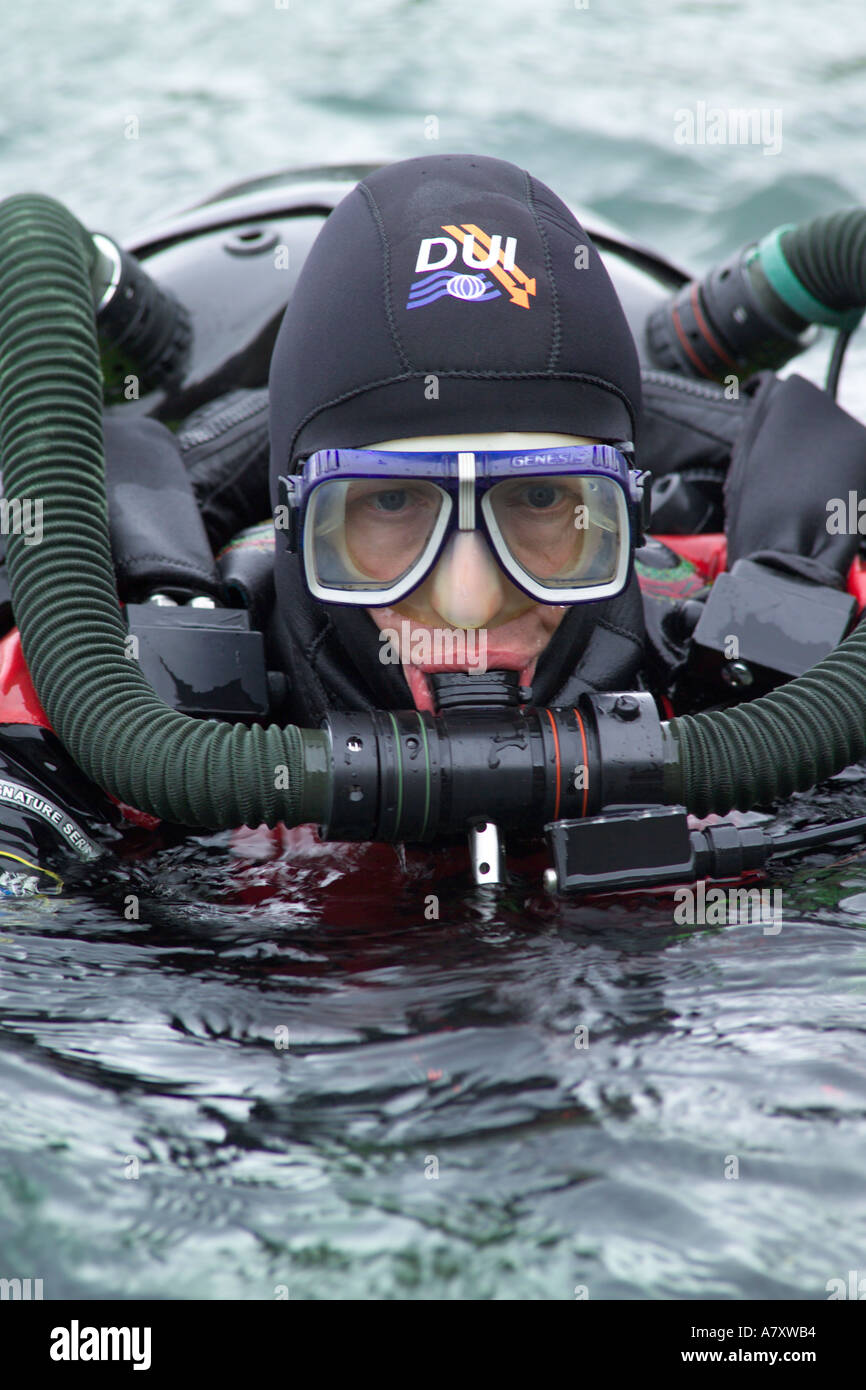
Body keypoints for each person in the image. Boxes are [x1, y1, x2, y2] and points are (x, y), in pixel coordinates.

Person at [0, 152, 863, 893]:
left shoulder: (796, 693)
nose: (466, 600)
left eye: (537, 500)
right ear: (297, 524)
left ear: (625, 520)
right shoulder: (100, 701)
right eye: (389, 502)